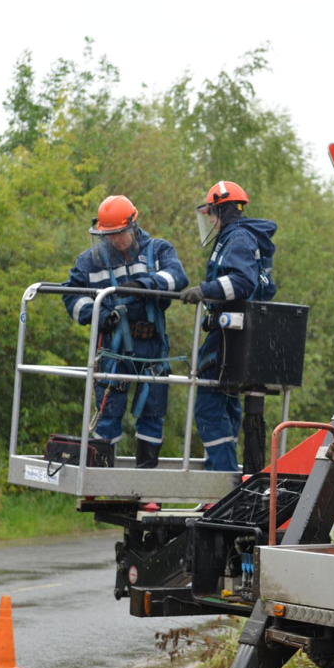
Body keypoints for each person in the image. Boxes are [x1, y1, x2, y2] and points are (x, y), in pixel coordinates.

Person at [63, 195, 188, 468]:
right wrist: (97, 315)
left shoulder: (159, 250)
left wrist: (144, 285)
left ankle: (146, 483)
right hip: (113, 349)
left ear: (133, 225)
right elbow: (71, 297)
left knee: (153, 412)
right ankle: (100, 478)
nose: (115, 240)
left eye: (119, 233)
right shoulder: (89, 261)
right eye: (109, 235)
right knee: (108, 412)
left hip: (152, 348)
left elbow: (178, 278)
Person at [179, 181, 277, 472]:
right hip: (237, 334)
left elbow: (243, 282)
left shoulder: (237, 239)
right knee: (227, 404)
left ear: (221, 209)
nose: (209, 220)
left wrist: (204, 290)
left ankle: (221, 482)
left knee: (209, 408)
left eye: (211, 213)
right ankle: (227, 479)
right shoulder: (246, 237)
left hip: (229, 336)